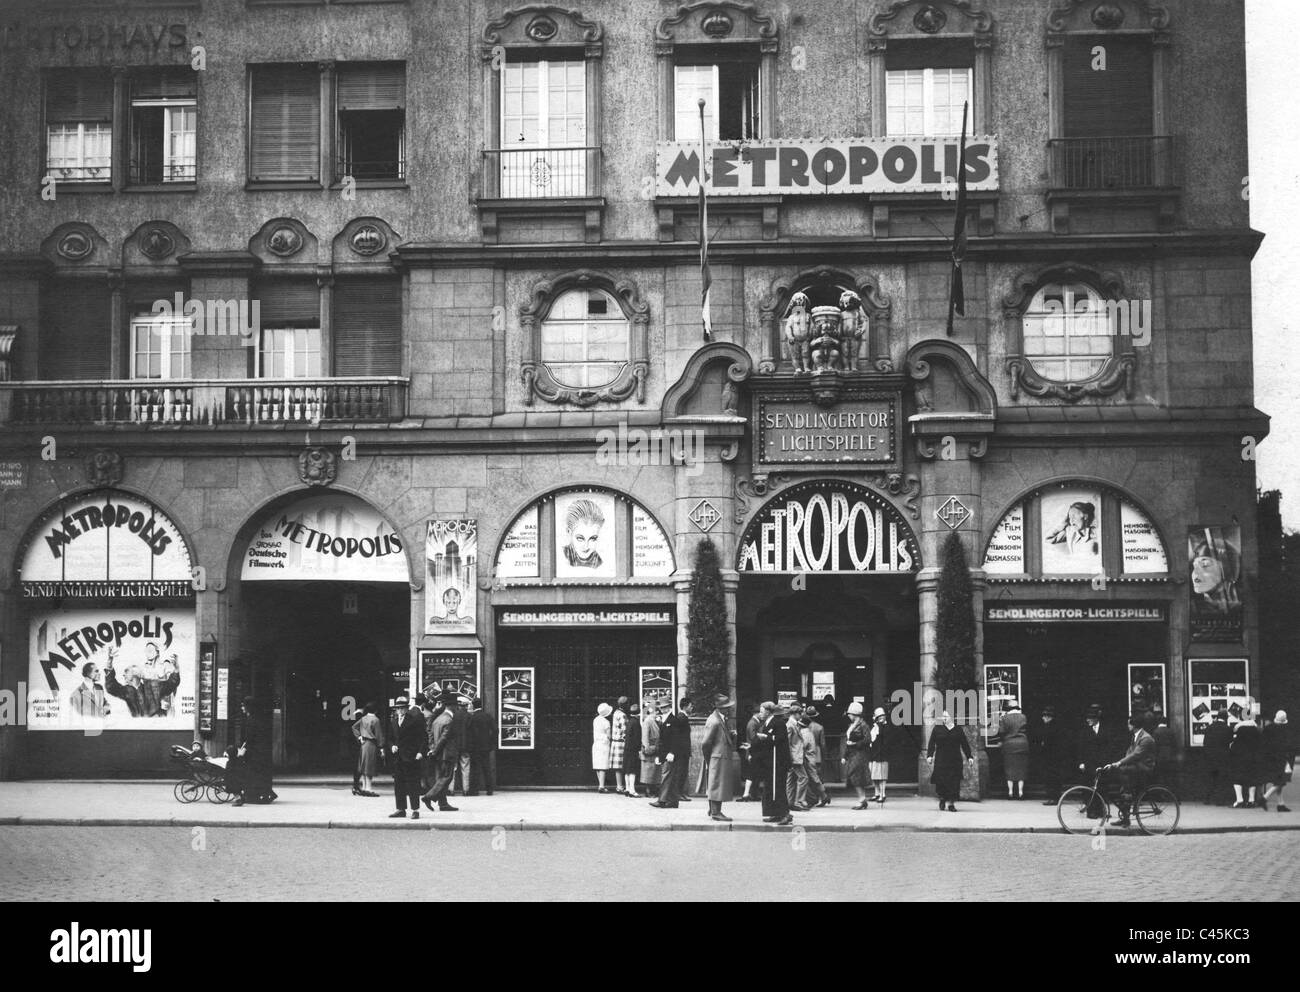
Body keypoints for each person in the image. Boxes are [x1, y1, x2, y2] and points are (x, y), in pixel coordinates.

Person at [1100, 712, 1156, 828]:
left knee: (1123, 778)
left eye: (1129, 724)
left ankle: (1126, 796)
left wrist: (1119, 763)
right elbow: (1129, 752)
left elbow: (1135, 755)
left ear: (1134, 725)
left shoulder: (1146, 739)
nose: (1127, 726)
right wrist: (1117, 764)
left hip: (1143, 768)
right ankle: (1125, 806)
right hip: (1136, 766)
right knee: (1120, 777)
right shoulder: (1136, 736)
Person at [227, 696, 276, 806]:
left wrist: (243, 749)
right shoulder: (257, 719)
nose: (242, 708)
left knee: (253, 773)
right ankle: (263, 794)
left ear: (248, 707)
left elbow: (249, 738)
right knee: (258, 774)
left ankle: (256, 795)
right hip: (259, 752)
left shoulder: (251, 720)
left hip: (255, 753)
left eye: (243, 706)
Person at [751, 701, 792, 825]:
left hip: (778, 762)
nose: (760, 714)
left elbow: (780, 739)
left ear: (768, 712)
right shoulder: (767, 723)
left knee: (778, 788)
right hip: (770, 762)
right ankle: (775, 813)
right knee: (770, 788)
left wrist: (766, 737)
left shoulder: (778, 723)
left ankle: (785, 814)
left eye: (762, 711)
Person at [698, 693, 738, 822]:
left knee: (716, 784)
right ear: (720, 708)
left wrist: (730, 735)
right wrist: (709, 758)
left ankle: (713, 810)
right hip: (717, 757)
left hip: (718, 757)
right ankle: (716, 812)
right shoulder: (714, 721)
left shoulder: (719, 719)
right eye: (726, 707)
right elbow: (705, 743)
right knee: (717, 785)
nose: (729, 709)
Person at [386, 695, 426, 818]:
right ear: (396, 710)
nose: (401, 711)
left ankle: (415, 810)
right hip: (398, 758)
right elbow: (389, 738)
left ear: (406, 709)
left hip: (411, 757)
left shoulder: (413, 720)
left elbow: (423, 737)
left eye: (403, 708)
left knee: (412, 784)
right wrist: (392, 746)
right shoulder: (393, 722)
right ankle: (400, 809)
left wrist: (420, 752)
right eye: (398, 708)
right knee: (399, 784)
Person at [927, 710, 974, 812]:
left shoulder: (958, 729)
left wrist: (969, 757)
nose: (944, 718)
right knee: (941, 781)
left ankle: (951, 803)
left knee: (954, 782)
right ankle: (942, 799)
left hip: (955, 760)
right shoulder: (937, 729)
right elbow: (931, 743)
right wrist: (929, 756)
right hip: (941, 759)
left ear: (952, 717)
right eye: (942, 716)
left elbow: (964, 744)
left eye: (946, 716)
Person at [651, 697, 693, 808]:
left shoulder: (673, 719)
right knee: (670, 777)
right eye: (662, 707)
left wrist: (672, 752)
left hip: (669, 753)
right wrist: (660, 755)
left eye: (665, 707)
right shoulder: (664, 719)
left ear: (669, 707)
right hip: (665, 753)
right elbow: (662, 739)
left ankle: (662, 800)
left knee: (666, 776)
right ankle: (673, 801)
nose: (663, 709)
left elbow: (676, 738)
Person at [422, 691, 460, 812]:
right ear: (452, 706)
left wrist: (432, 749)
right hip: (447, 754)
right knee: (446, 778)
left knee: (441, 778)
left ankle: (443, 804)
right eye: (456, 705)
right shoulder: (449, 720)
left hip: (438, 755)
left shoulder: (438, 719)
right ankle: (428, 797)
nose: (457, 707)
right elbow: (444, 738)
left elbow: (431, 736)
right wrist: (435, 750)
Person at [1029, 705, 1067, 804]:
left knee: (1051, 778)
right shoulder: (1054, 726)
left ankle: (1053, 797)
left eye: (1044, 716)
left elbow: (1047, 743)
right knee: (1053, 778)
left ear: (1049, 717)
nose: (1043, 718)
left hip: (1051, 757)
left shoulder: (1050, 728)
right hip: (1053, 757)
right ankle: (1054, 797)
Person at [841, 701, 872, 809]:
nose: (849, 716)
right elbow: (848, 741)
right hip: (853, 754)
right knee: (857, 777)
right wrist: (845, 756)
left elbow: (868, 739)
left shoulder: (863, 725)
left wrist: (856, 744)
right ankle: (862, 799)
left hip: (860, 754)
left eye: (850, 714)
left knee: (855, 776)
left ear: (855, 714)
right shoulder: (853, 725)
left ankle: (862, 799)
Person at [1261, 710, 1293, 813]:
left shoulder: (1268, 728)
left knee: (1278, 780)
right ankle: (1264, 798)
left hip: (1269, 758)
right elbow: (1284, 746)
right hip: (1280, 758)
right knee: (1282, 780)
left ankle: (1281, 804)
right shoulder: (1282, 731)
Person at [562, 498, 606, 569]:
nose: (586, 546)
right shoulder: (561, 556)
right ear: (569, 533)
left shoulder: (600, 563)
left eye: (593, 539)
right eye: (580, 538)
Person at [1229, 711, 1262, 809]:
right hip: (1253, 758)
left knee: (1237, 778)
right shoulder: (1256, 729)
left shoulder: (1239, 729)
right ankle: (1251, 801)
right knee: (1252, 778)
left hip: (1240, 758)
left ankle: (1240, 800)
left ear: (1241, 717)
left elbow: (1234, 745)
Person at [466, 697, 497, 796]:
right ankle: (489, 789)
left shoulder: (472, 717)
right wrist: (492, 743)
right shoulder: (487, 716)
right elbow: (495, 730)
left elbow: (469, 733)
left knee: (475, 769)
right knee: (486, 767)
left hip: (475, 747)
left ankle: (474, 790)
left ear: (474, 705)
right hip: (486, 746)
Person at [999, 699, 1029, 800]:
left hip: (1009, 745)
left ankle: (1010, 792)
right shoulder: (1023, 717)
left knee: (1009, 769)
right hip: (1022, 744)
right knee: (1021, 770)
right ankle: (1020, 792)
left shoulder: (1004, 718)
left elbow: (1001, 732)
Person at [351, 701, 382, 797]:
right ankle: (368, 788)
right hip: (371, 744)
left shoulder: (363, 718)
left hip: (363, 744)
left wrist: (359, 737)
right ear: (376, 710)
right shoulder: (376, 720)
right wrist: (381, 747)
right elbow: (379, 735)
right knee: (370, 767)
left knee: (363, 766)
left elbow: (354, 727)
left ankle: (364, 787)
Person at [1202, 709, 1233, 804]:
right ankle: (1220, 800)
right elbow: (1230, 741)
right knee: (1221, 779)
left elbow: (1205, 743)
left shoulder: (1209, 728)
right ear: (1226, 718)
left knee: (1210, 778)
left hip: (1210, 757)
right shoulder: (1228, 729)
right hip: (1223, 757)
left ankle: (1207, 799)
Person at [800, 709, 829, 807]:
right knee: (816, 776)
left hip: (806, 753)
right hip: (817, 753)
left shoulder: (802, 728)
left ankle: (817, 797)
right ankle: (821, 796)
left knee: (809, 777)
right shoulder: (820, 727)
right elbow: (823, 744)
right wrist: (824, 756)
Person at [1075, 703, 1109, 785]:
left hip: (1102, 764)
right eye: (1087, 718)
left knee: (1101, 788)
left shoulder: (1106, 729)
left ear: (1096, 718)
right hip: (1088, 764)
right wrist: (1081, 762)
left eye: (1090, 718)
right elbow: (1080, 748)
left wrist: (1106, 762)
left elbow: (1109, 747)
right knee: (1087, 788)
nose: (1087, 720)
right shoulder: (1084, 731)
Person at [785, 702, 810, 811]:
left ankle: (789, 802)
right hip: (795, 757)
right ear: (795, 714)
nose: (801, 716)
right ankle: (798, 801)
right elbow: (788, 743)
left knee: (790, 780)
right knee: (803, 778)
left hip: (795, 756)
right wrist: (790, 757)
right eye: (800, 714)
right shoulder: (791, 725)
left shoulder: (793, 724)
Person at [739, 701, 763, 801]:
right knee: (752, 773)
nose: (762, 715)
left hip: (753, 751)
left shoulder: (754, 722)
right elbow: (753, 738)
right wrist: (762, 736)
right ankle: (749, 794)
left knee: (755, 774)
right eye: (761, 713)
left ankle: (753, 794)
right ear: (756, 713)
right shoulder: (753, 723)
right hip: (753, 751)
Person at [867, 707, 891, 804]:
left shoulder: (885, 727)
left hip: (882, 754)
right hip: (873, 753)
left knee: (882, 775)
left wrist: (880, 726)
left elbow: (884, 739)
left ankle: (883, 794)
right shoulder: (874, 727)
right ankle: (877, 793)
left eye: (883, 716)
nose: (881, 718)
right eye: (879, 717)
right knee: (874, 775)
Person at [640, 700, 664, 797]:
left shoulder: (654, 721)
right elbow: (645, 736)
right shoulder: (648, 721)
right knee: (648, 770)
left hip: (655, 747)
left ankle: (652, 789)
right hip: (650, 747)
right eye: (656, 711)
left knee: (653, 770)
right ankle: (648, 790)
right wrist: (646, 747)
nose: (657, 713)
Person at [452, 695, 472, 795]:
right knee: (466, 768)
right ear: (466, 706)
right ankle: (466, 790)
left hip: (455, 746)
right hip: (466, 746)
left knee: (453, 768)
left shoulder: (453, 716)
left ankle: (450, 789)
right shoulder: (469, 716)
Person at [592, 701, 614, 792]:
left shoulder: (595, 720)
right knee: (603, 766)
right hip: (604, 744)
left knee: (598, 765)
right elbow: (609, 735)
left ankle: (600, 784)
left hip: (596, 744)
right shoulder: (606, 722)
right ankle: (601, 786)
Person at [622, 701, 642, 797]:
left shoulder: (629, 722)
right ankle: (632, 790)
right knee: (632, 770)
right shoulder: (636, 723)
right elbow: (637, 738)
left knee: (627, 770)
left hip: (627, 748)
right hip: (633, 749)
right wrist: (639, 749)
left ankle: (627, 788)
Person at [611, 695, 629, 795]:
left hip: (615, 741)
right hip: (621, 742)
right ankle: (622, 786)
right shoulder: (622, 715)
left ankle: (619, 785)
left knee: (618, 766)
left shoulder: (615, 713)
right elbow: (624, 729)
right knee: (623, 765)